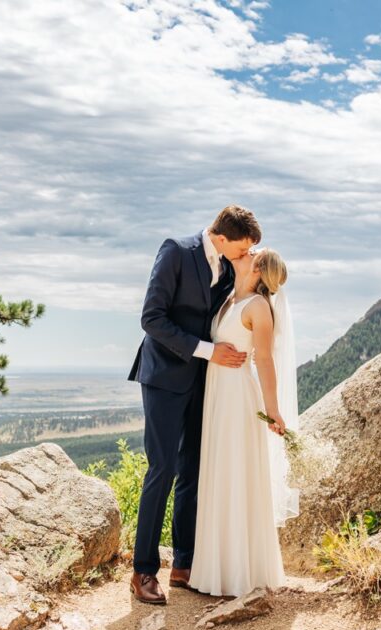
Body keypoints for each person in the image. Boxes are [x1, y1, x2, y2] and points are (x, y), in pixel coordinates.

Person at [127, 205, 261, 605]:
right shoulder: (175, 251)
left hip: (205, 382)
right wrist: (207, 350)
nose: (243, 256)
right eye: (241, 249)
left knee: (193, 469)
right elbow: (151, 318)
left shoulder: (227, 262)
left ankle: (183, 563)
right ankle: (143, 570)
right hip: (165, 379)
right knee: (162, 468)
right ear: (221, 237)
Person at [188, 248, 300, 597]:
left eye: (254, 252)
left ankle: (240, 573)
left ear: (257, 267)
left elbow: (264, 360)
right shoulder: (230, 299)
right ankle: (215, 570)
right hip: (218, 393)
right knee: (219, 471)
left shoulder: (258, 307)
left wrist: (273, 410)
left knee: (236, 473)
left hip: (238, 396)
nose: (245, 251)